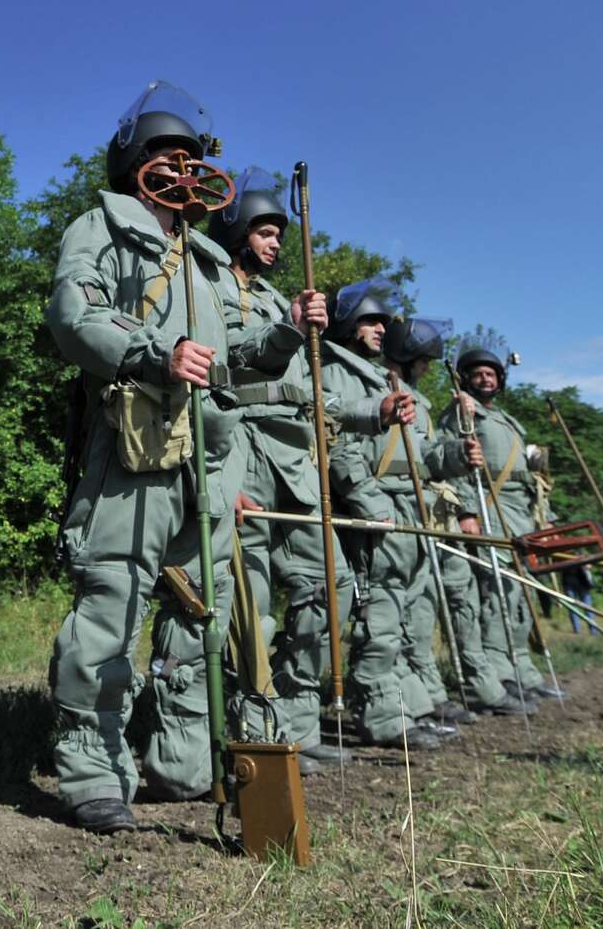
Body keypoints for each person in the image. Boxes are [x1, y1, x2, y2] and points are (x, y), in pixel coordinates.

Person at [46, 86, 323, 833]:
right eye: (168, 154)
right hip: (134, 447)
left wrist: (291, 331)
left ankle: (181, 760)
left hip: (210, 461)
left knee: (202, 617)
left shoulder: (205, 260)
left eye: (194, 157)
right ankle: (92, 767)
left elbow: (236, 367)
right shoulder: (101, 227)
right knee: (111, 603)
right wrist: (154, 353)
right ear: (136, 160)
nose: (183, 166)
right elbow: (75, 317)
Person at [201, 173, 406, 774]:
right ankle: (254, 725)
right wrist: (291, 325)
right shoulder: (212, 288)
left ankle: (294, 712)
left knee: (333, 587)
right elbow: (235, 360)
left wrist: (377, 411)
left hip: (294, 462)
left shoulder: (269, 296)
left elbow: (311, 395)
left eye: (277, 233)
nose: (273, 243)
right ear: (236, 230)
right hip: (242, 452)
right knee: (251, 606)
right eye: (264, 231)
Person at [323, 298, 479, 748]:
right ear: (351, 325)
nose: (380, 328)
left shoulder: (400, 389)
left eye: (382, 322)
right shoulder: (335, 372)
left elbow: (424, 456)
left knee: (411, 613)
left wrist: (455, 456)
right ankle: (380, 712)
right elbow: (341, 447)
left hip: (412, 507)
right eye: (371, 321)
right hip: (379, 509)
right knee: (382, 613)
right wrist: (369, 504)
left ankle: (408, 705)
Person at [444, 349, 569, 707]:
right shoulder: (462, 412)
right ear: (466, 378)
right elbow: (457, 459)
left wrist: (547, 517)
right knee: (496, 592)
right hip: (490, 506)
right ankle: (498, 672)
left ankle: (522, 670)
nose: (486, 380)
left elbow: (531, 475)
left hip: (520, 510)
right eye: (478, 374)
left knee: (521, 594)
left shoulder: (506, 420)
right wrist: (467, 509)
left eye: (491, 374)